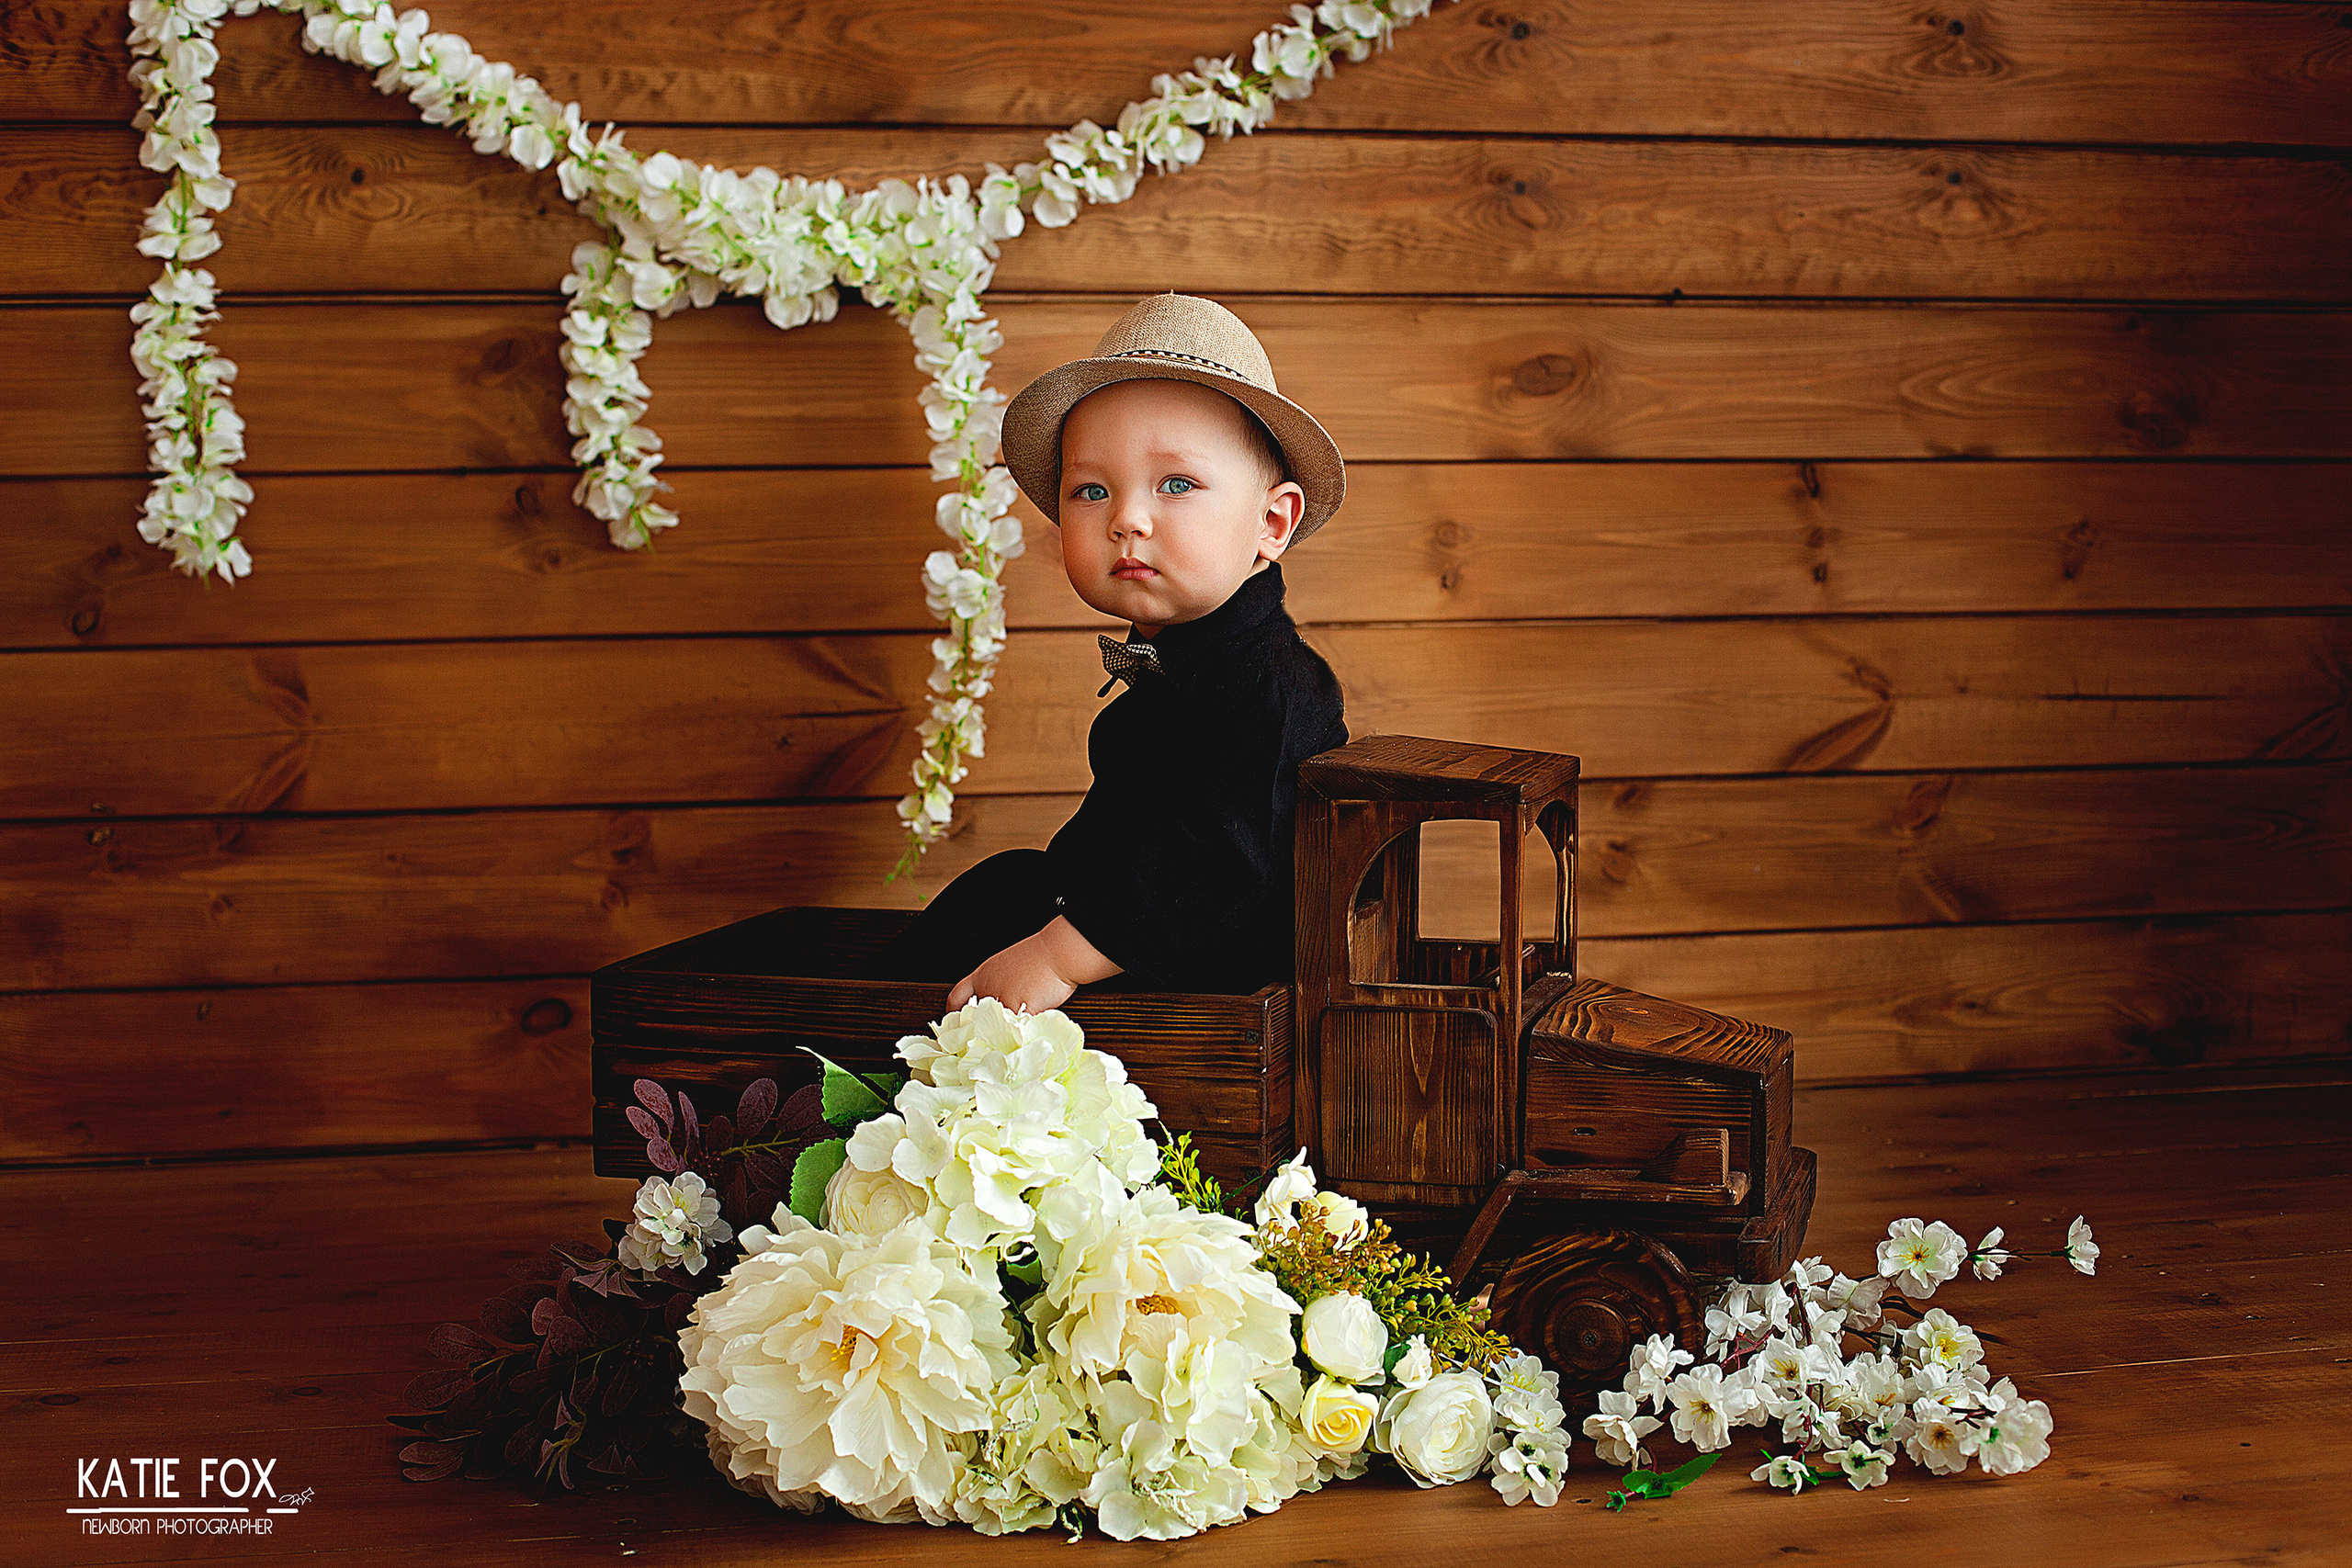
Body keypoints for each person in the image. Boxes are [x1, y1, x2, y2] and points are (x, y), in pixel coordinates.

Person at [871, 292, 1351, 1012]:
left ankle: (871, 1042)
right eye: (1092, 489)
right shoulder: (1179, 660)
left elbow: (1218, 867)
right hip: (1122, 919)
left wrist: (1059, 955)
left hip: (1209, 973)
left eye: (1177, 484)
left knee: (1010, 916)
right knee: (1001, 889)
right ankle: (851, 1029)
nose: (1126, 518)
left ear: (1272, 521)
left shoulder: (1269, 688)